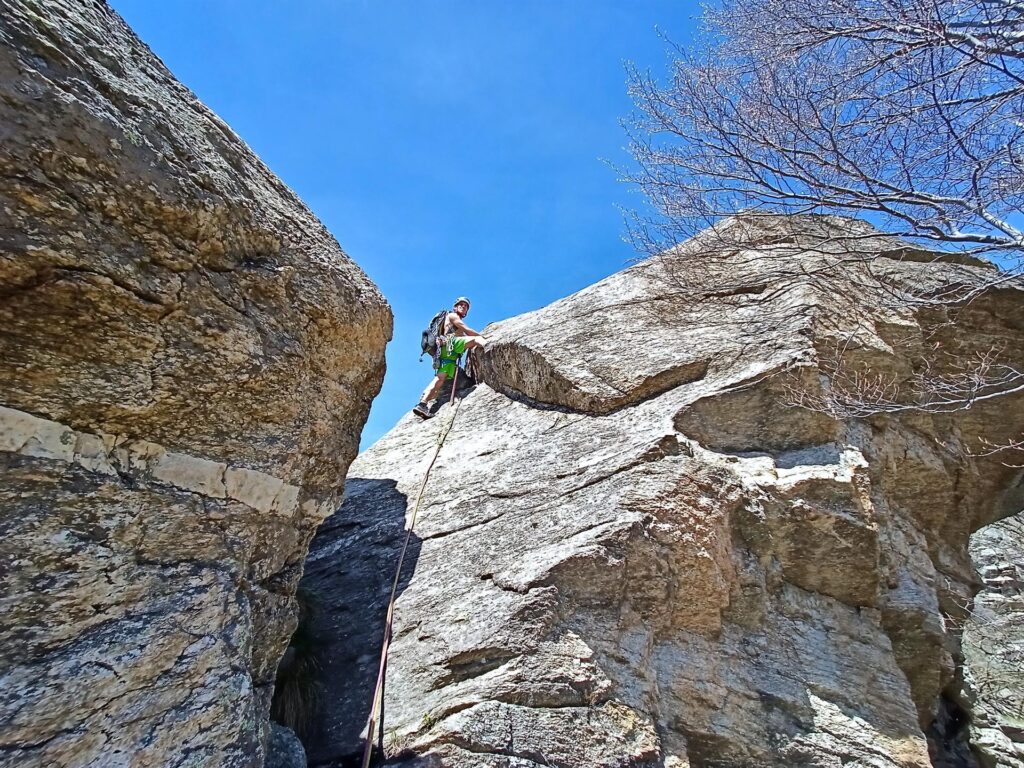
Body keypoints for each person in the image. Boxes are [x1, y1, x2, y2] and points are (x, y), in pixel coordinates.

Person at [413, 297, 486, 419]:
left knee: (440, 379)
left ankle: (422, 404)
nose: (463, 307)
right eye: (461, 305)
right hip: (450, 345)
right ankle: (490, 347)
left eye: (466, 306)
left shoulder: (452, 321)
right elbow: (467, 331)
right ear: (455, 307)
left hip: (445, 353)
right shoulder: (453, 316)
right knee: (477, 339)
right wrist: (485, 337)